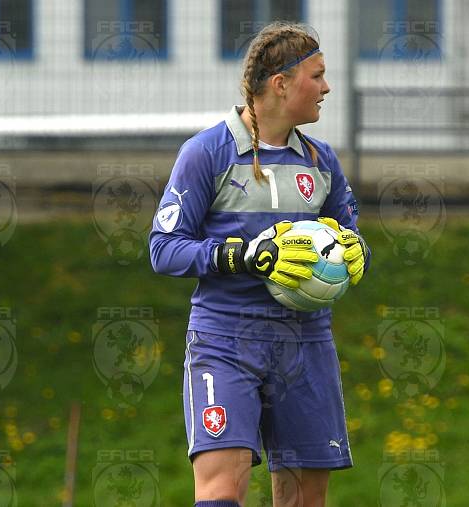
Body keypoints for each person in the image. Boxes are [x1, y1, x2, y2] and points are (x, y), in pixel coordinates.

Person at [149, 21, 370, 507]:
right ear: (281, 83)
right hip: (226, 339)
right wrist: (242, 256)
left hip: (305, 340)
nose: (327, 87)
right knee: (221, 491)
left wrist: (356, 255)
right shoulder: (206, 153)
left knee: (303, 499)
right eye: (318, 75)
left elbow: (350, 240)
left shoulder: (321, 161)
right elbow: (164, 249)